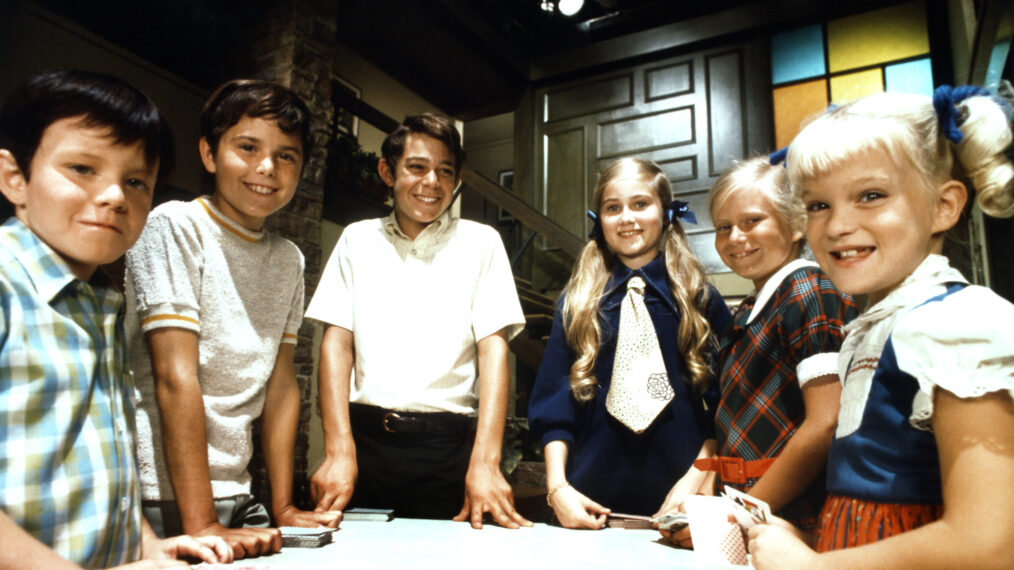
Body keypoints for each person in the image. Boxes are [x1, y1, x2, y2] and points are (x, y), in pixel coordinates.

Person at [747, 87, 1014, 569]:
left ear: (944, 206)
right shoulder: (869, 328)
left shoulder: (958, 323)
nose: (836, 226)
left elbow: (989, 544)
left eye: (870, 196)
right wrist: (806, 541)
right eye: (817, 205)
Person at [0, 70, 232, 568]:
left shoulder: (99, 302)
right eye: (82, 168)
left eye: (135, 181)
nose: (113, 196)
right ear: (14, 178)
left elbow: (100, 464)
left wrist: (149, 546)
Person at [124, 79, 339, 560]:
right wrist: (202, 522)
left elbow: (281, 387)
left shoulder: (289, 259)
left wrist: (283, 504)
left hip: (238, 495)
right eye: (247, 147)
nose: (267, 168)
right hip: (161, 496)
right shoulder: (175, 225)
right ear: (209, 153)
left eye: (287, 156)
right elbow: (174, 376)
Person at [305, 113, 531, 529]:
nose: (432, 182)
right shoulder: (356, 239)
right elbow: (336, 345)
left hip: (447, 452)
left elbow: (494, 353)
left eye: (445, 171)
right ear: (387, 172)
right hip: (364, 446)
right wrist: (338, 451)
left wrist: (486, 462)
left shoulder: (482, 243)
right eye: (417, 167)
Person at [661, 157, 858, 546]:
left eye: (752, 221)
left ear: (797, 224)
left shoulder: (810, 292)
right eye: (723, 227)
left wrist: (738, 515)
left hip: (802, 521)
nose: (735, 237)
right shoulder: (750, 309)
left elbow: (824, 423)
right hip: (761, 515)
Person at [528, 157, 732, 528]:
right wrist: (558, 490)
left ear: (666, 213)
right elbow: (554, 410)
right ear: (598, 221)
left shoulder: (699, 299)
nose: (626, 217)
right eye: (612, 208)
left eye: (640, 204)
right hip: (588, 509)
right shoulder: (578, 303)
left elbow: (727, 405)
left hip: (683, 508)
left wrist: (698, 479)